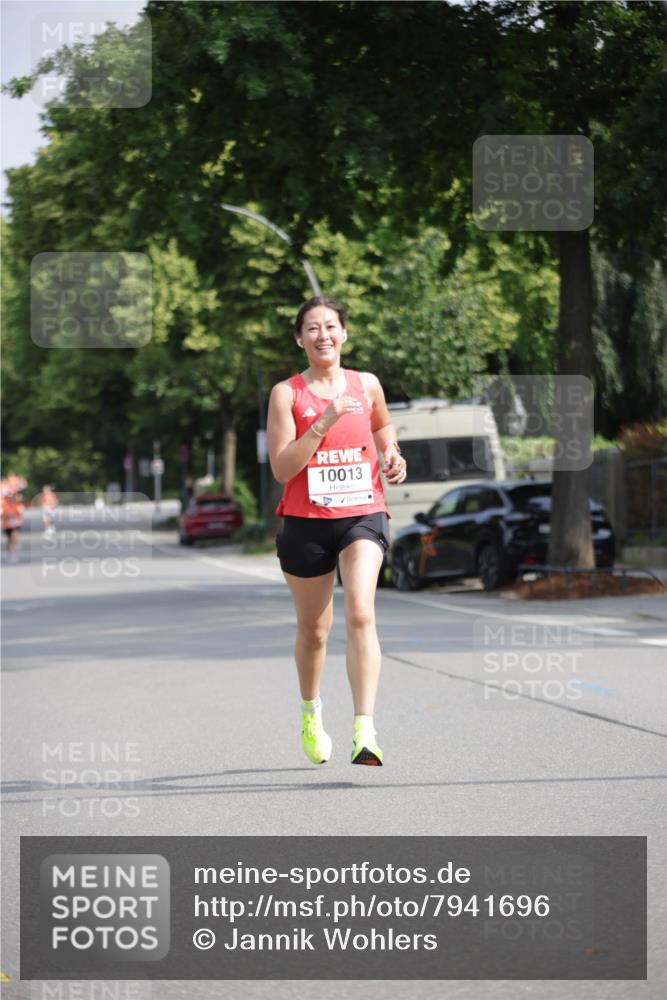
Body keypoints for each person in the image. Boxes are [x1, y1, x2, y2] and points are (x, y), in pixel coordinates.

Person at [267, 296, 407, 767]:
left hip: (363, 512)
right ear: (299, 338)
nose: (322, 335)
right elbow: (282, 469)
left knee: (362, 612)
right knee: (314, 631)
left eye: (331, 326)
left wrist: (392, 453)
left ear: (345, 333)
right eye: (312, 328)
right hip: (306, 522)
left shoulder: (366, 385)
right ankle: (311, 711)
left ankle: (364, 729)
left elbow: (383, 426)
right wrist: (323, 422)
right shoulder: (287, 394)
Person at [1, 481, 25, 563]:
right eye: (9, 497)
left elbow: (21, 512)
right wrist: (6, 514)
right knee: (8, 540)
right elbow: (2, 514)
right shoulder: (4, 504)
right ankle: (9, 552)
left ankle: (14, 552)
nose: (11, 498)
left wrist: (17, 513)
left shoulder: (17, 504)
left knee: (14, 537)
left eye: (12, 497)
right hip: (7, 524)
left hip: (16, 524)